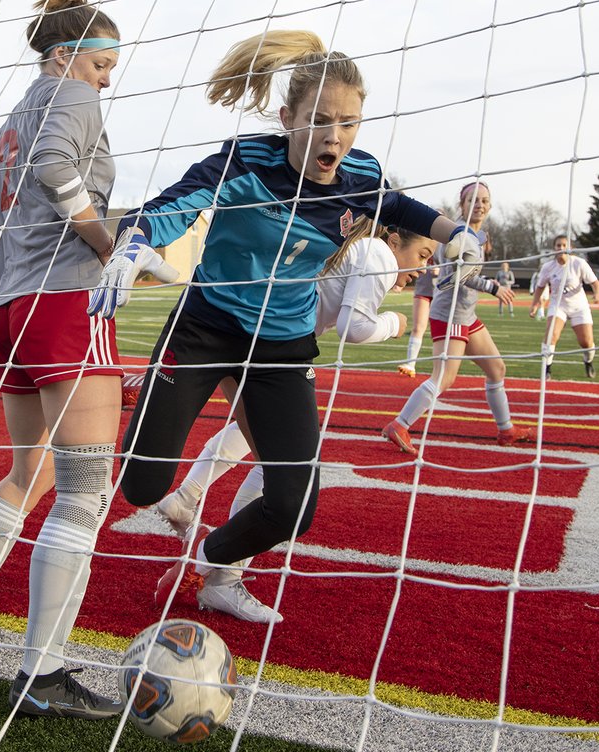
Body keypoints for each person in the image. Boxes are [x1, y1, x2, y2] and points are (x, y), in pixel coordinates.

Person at [89, 30, 482, 629]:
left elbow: (398, 206)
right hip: (206, 326)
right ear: (287, 118)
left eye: (349, 123)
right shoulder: (245, 160)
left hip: (283, 343)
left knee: (292, 509)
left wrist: (456, 232)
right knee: (143, 486)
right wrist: (136, 241)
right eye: (321, 120)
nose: (335, 136)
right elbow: (175, 203)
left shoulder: (360, 174)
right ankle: (180, 512)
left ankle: (207, 564)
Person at [0, 0, 162, 721]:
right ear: (65, 54)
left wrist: (3, 276)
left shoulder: (4, 126)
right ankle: (43, 674)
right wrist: (108, 242)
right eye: (102, 61)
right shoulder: (70, 97)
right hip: (63, 303)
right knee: (84, 492)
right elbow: (61, 167)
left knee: (28, 474)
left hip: (10, 311)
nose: (108, 75)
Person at [156, 216, 437, 622]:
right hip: (268, 344)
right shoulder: (377, 252)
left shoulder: (361, 249)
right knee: (285, 466)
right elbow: (353, 326)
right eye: (423, 255)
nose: (424, 267)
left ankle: (190, 504)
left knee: (262, 442)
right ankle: (216, 570)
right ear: (394, 239)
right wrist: (395, 324)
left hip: (241, 330)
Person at [381, 181, 530, 453]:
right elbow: (457, 277)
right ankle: (400, 424)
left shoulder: (477, 234)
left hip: (465, 315)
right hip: (449, 315)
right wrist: (493, 287)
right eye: (473, 200)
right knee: (444, 378)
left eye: (485, 200)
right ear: (462, 204)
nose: (480, 205)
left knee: (496, 369)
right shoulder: (458, 235)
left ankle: (506, 430)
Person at [531, 235, 599, 379]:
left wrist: (598, 294)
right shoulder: (548, 267)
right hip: (558, 306)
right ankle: (547, 369)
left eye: (564, 245)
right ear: (554, 248)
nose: (561, 248)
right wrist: (535, 305)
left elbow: (595, 283)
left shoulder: (579, 263)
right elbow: (540, 287)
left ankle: (588, 361)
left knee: (586, 342)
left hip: (579, 306)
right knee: (551, 336)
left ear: (570, 248)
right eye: (558, 245)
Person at [396, 258, 436, 377]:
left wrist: (442, 269)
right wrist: (400, 281)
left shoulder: (451, 243)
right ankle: (410, 364)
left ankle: (443, 367)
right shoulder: (427, 243)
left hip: (443, 291)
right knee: (418, 328)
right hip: (423, 288)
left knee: (443, 331)